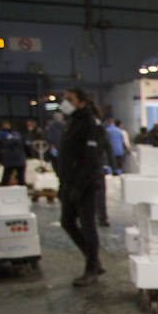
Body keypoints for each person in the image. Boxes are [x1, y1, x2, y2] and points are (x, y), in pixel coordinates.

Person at [57, 88, 107, 286]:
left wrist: (79, 186)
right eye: (64, 98)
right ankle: (94, 261)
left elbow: (91, 159)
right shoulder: (72, 122)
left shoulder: (91, 123)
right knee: (67, 222)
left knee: (88, 225)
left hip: (86, 183)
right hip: (69, 182)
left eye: (69, 99)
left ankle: (92, 268)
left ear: (81, 102)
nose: (65, 102)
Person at [0, 122, 28, 186]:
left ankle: (7, 187)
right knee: (17, 176)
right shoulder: (15, 134)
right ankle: (21, 188)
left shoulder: (2, 135)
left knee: (10, 175)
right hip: (16, 158)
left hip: (11, 158)